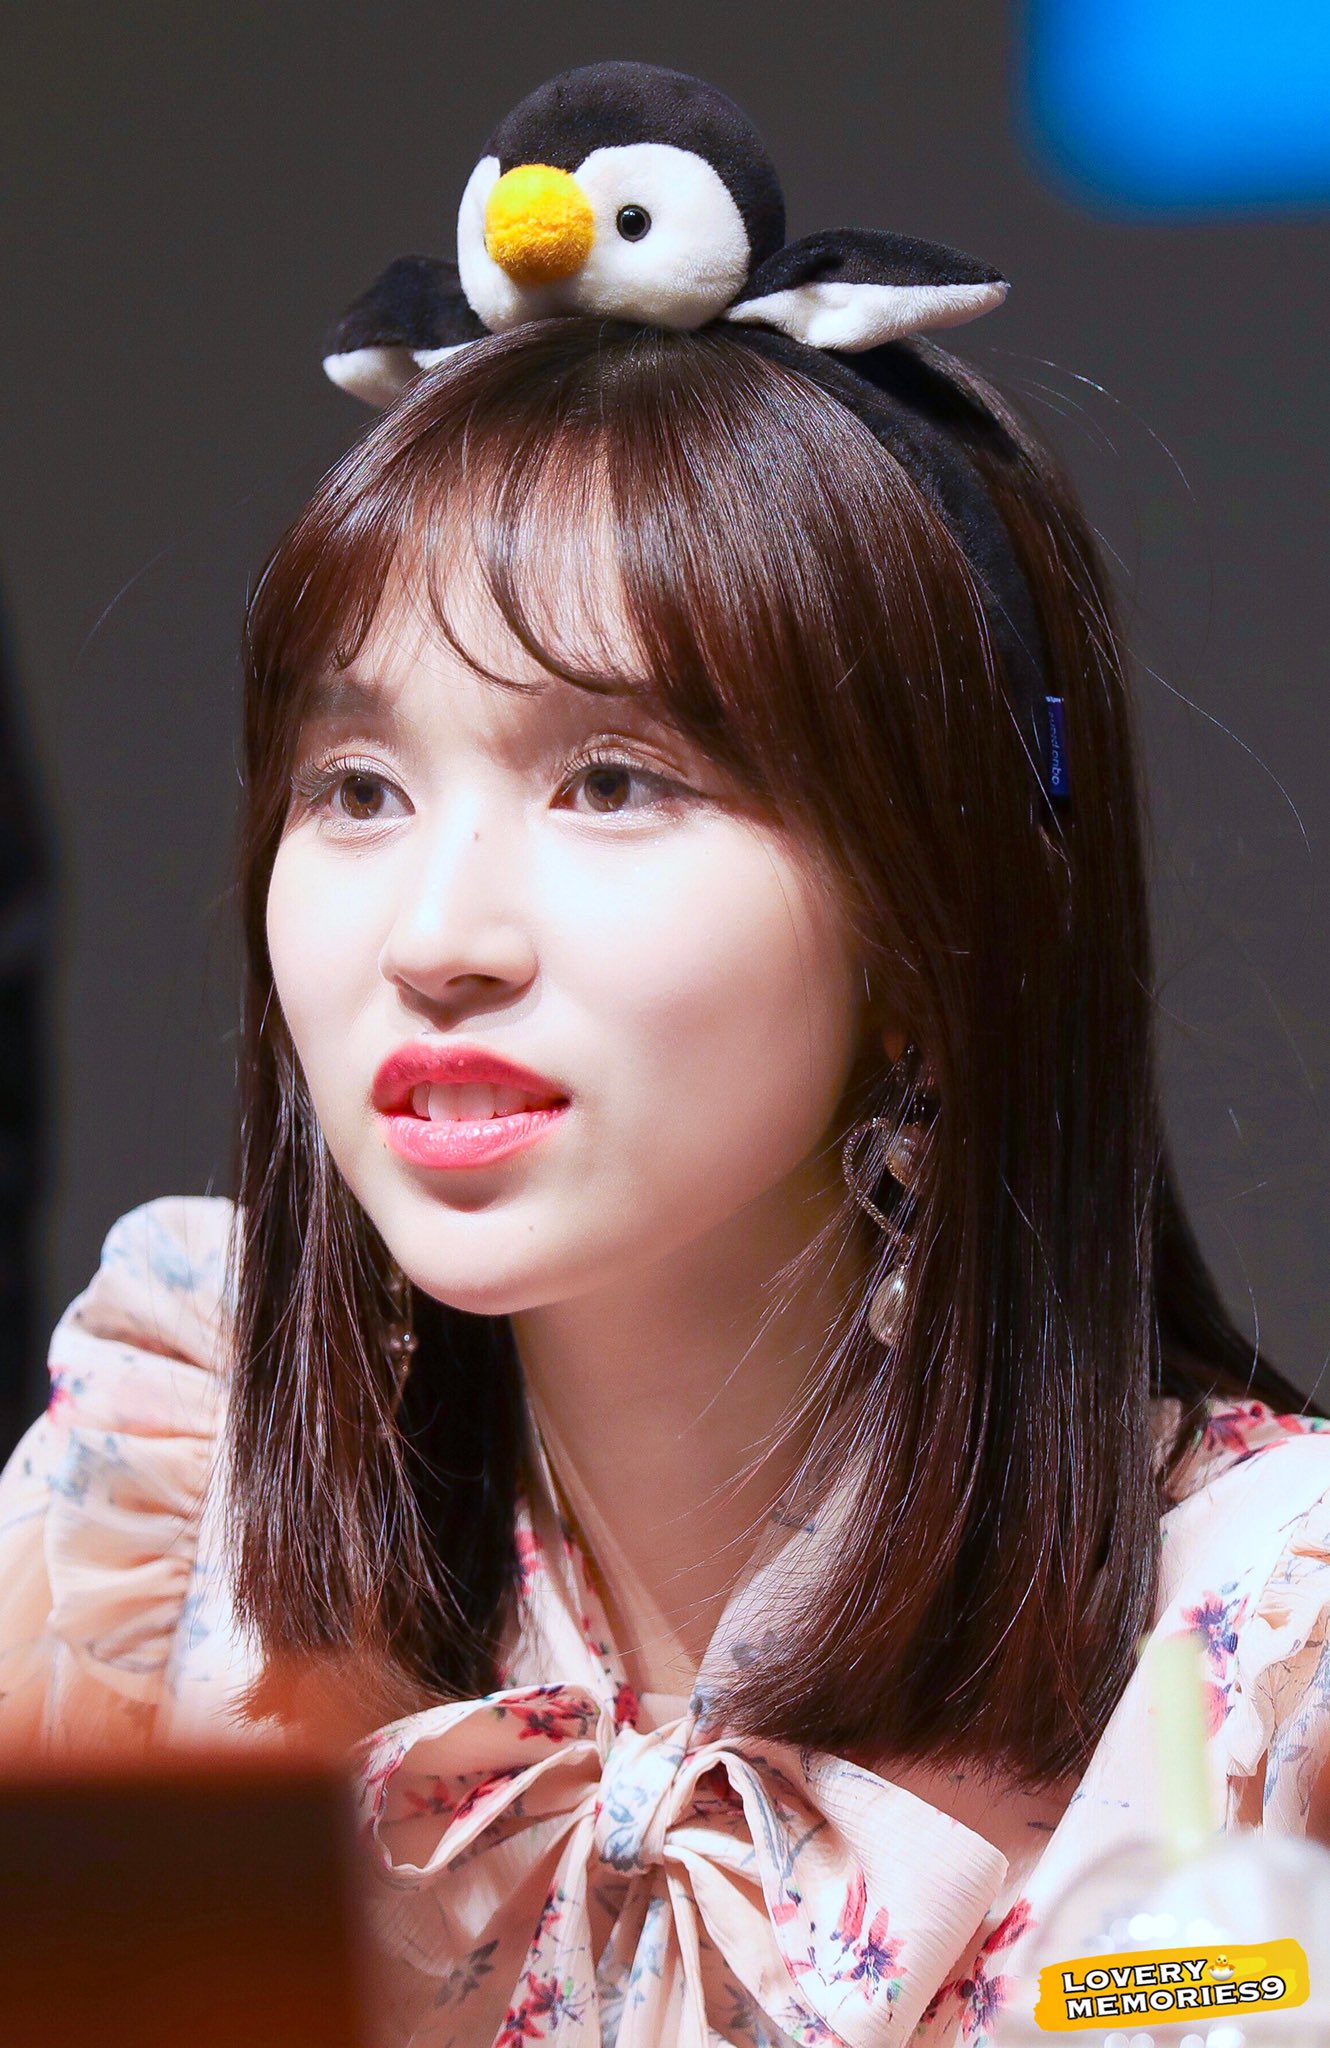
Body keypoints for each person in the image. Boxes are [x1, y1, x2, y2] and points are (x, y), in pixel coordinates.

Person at [2, 59, 1329, 2048]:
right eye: (356, 788)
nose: (437, 935)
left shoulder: (1261, 1650)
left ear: (926, 912)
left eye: (611, 781)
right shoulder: (170, 1532)